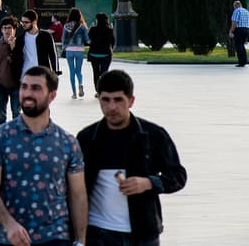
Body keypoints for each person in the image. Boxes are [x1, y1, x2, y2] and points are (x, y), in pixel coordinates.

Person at [76, 70, 187, 246]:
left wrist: (148, 183)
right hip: (99, 233)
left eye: (118, 100)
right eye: (105, 100)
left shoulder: (153, 135)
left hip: (143, 233)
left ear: (131, 101)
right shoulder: (86, 138)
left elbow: (178, 176)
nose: (111, 107)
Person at [0, 66, 87, 246]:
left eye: (36, 88)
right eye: (24, 87)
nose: (27, 93)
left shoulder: (67, 142)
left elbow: (78, 195)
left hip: (55, 238)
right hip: (10, 238)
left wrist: (80, 241)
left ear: (52, 95)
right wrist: (9, 224)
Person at [0, 16, 21, 123]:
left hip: (16, 85)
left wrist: (13, 47)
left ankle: (16, 137)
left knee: (16, 113)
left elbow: (22, 62)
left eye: (9, 28)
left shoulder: (20, 44)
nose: (7, 30)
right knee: (1, 116)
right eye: (4, 28)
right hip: (1, 84)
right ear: (1, 29)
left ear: (14, 29)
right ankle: (2, 138)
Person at [16, 8, 60, 76]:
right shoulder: (20, 38)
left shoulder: (46, 36)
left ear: (34, 22)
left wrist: (55, 71)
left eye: (26, 22)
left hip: (42, 73)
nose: (23, 24)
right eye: (22, 22)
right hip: (25, 74)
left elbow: (53, 54)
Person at [62, 8, 89, 100]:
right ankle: (80, 84)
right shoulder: (82, 26)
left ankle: (74, 93)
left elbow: (64, 39)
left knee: (72, 71)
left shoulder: (66, 26)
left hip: (69, 50)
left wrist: (65, 47)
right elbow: (87, 39)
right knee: (78, 70)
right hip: (80, 51)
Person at [87, 13, 116, 93]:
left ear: (98, 20)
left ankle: (97, 91)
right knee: (104, 73)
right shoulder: (109, 30)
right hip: (106, 54)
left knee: (95, 73)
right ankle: (104, 89)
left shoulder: (93, 29)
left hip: (94, 54)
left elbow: (88, 39)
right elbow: (112, 42)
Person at [230, 0, 249, 67]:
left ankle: (241, 62)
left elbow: (234, 22)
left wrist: (231, 31)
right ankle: (244, 61)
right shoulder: (246, 11)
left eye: (234, 6)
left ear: (235, 5)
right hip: (246, 29)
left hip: (239, 30)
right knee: (242, 46)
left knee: (238, 46)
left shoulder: (237, 11)